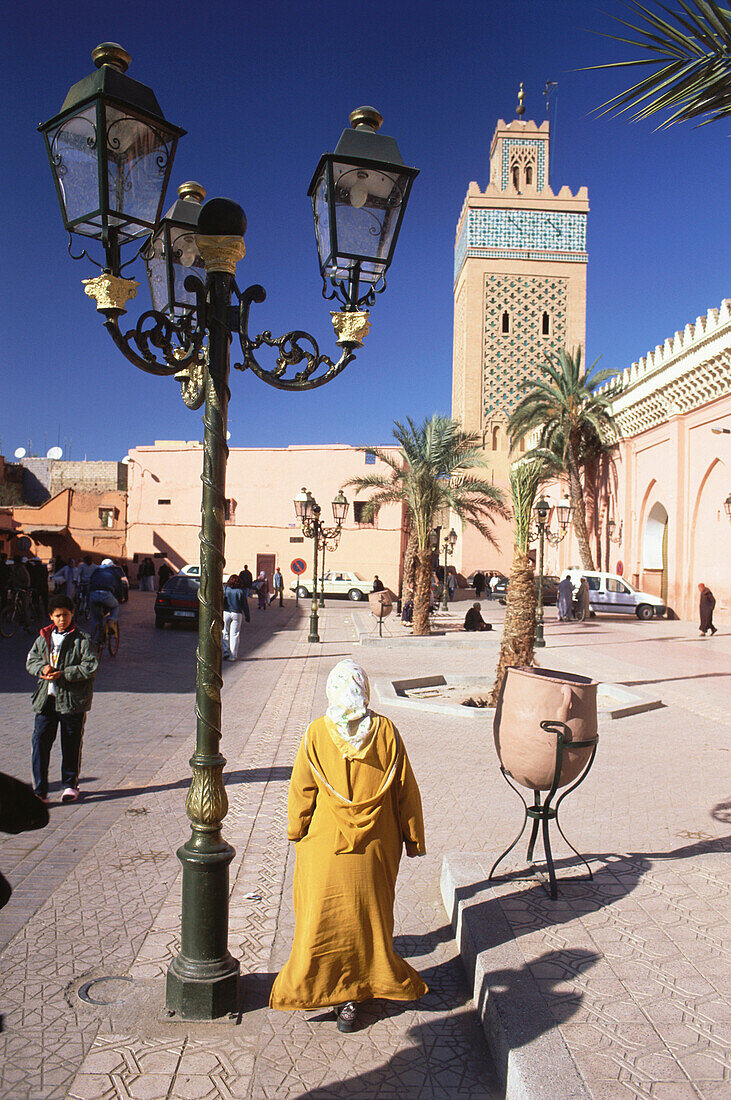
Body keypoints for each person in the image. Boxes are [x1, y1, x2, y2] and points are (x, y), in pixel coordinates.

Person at [270, 660, 427, 1032]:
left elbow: (301, 790)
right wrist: (413, 838)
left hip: (325, 846)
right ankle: (360, 993)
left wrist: (296, 830)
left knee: (322, 920)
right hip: (376, 846)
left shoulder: (316, 733)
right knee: (369, 920)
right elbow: (406, 790)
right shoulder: (387, 732)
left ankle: (326, 992)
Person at [26, 594, 98, 804]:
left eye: (65, 615)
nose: (62, 619)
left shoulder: (82, 639)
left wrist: (64, 673)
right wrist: (43, 668)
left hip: (72, 702)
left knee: (71, 744)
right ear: (51, 616)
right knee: (40, 743)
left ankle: (69, 785)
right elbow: (32, 660)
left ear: (72, 614)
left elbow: (90, 666)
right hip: (46, 701)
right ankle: (40, 790)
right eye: (57, 616)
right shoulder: (43, 638)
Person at [88, 558, 120, 644]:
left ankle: (95, 639)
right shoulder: (114, 571)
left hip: (93, 594)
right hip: (106, 594)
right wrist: (121, 597)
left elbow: (90, 583)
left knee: (96, 618)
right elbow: (118, 586)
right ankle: (111, 620)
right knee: (115, 606)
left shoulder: (96, 570)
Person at [222, 574, 249, 659]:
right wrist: (247, 616)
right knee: (234, 634)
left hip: (226, 612)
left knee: (225, 631)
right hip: (237, 613)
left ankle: (226, 650)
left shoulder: (226, 589)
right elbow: (245, 605)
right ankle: (233, 655)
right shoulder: (240, 591)